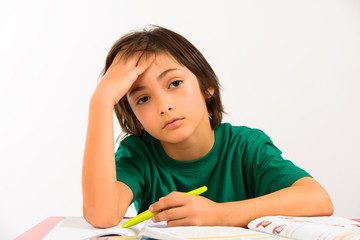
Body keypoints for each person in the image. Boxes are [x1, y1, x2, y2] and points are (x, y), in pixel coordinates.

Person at [82, 25, 333, 229]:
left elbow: (318, 200)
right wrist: (101, 101)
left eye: (174, 83)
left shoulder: (246, 146)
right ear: (137, 119)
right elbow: (102, 215)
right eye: (143, 99)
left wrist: (220, 213)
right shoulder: (138, 155)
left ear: (207, 86)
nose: (164, 105)